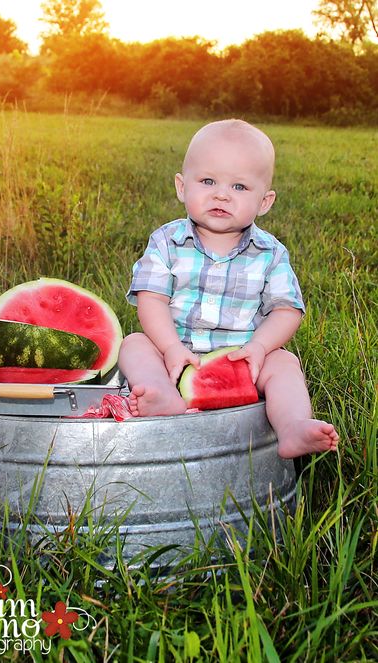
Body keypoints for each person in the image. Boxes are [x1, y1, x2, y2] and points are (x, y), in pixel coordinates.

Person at [117, 119, 338, 459]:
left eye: (239, 187)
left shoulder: (271, 253)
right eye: (208, 181)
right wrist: (171, 347)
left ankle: (292, 425)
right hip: (174, 352)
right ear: (181, 186)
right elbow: (152, 299)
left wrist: (260, 347)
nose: (221, 194)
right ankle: (163, 396)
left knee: (284, 363)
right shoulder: (166, 242)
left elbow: (287, 309)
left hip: (242, 357)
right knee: (134, 344)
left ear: (264, 202)